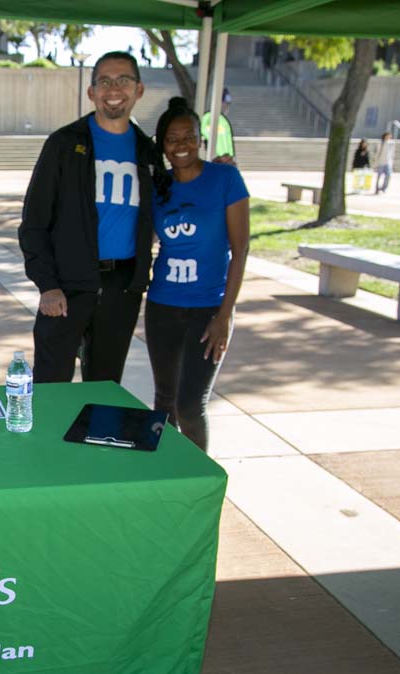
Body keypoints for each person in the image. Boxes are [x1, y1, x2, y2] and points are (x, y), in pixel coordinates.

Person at [19, 51, 158, 383]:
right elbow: (34, 221)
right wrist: (47, 285)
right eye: (104, 81)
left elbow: (173, 196)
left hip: (121, 288)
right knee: (52, 385)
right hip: (66, 286)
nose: (114, 88)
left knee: (104, 386)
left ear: (138, 89)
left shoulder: (147, 151)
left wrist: (213, 170)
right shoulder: (64, 144)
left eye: (123, 80)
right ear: (91, 92)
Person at [147, 97, 250, 452]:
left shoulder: (225, 178)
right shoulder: (158, 187)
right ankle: (161, 479)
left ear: (200, 139)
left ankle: (197, 480)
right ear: (162, 145)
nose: (181, 146)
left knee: (190, 405)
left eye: (188, 137)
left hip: (208, 307)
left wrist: (224, 314)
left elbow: (241, 250)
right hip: (162, 305)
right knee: (164, 401)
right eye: (172, 139)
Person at [200, 88, 235, 162]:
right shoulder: (208, 116)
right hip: (216, 157)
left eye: (228, 104)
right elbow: (202, 129)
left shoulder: (223, 120)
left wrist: (231, 156)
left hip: (227, 158)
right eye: (226, 104)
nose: (226, 107)